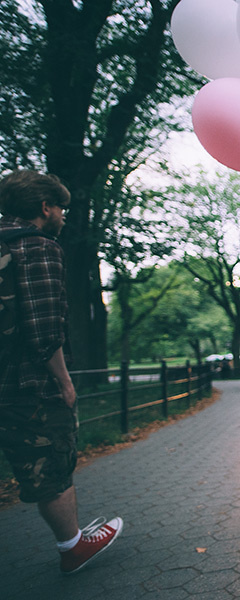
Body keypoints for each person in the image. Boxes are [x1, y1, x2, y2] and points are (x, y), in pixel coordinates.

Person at [0, 170, 124, 575]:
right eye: (62, 208)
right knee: (49, 463)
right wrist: (65, 382)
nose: (64, 216)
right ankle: (72, 546)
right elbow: (44, 328)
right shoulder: (37, 247)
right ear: (44, 207)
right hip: (26, 384)